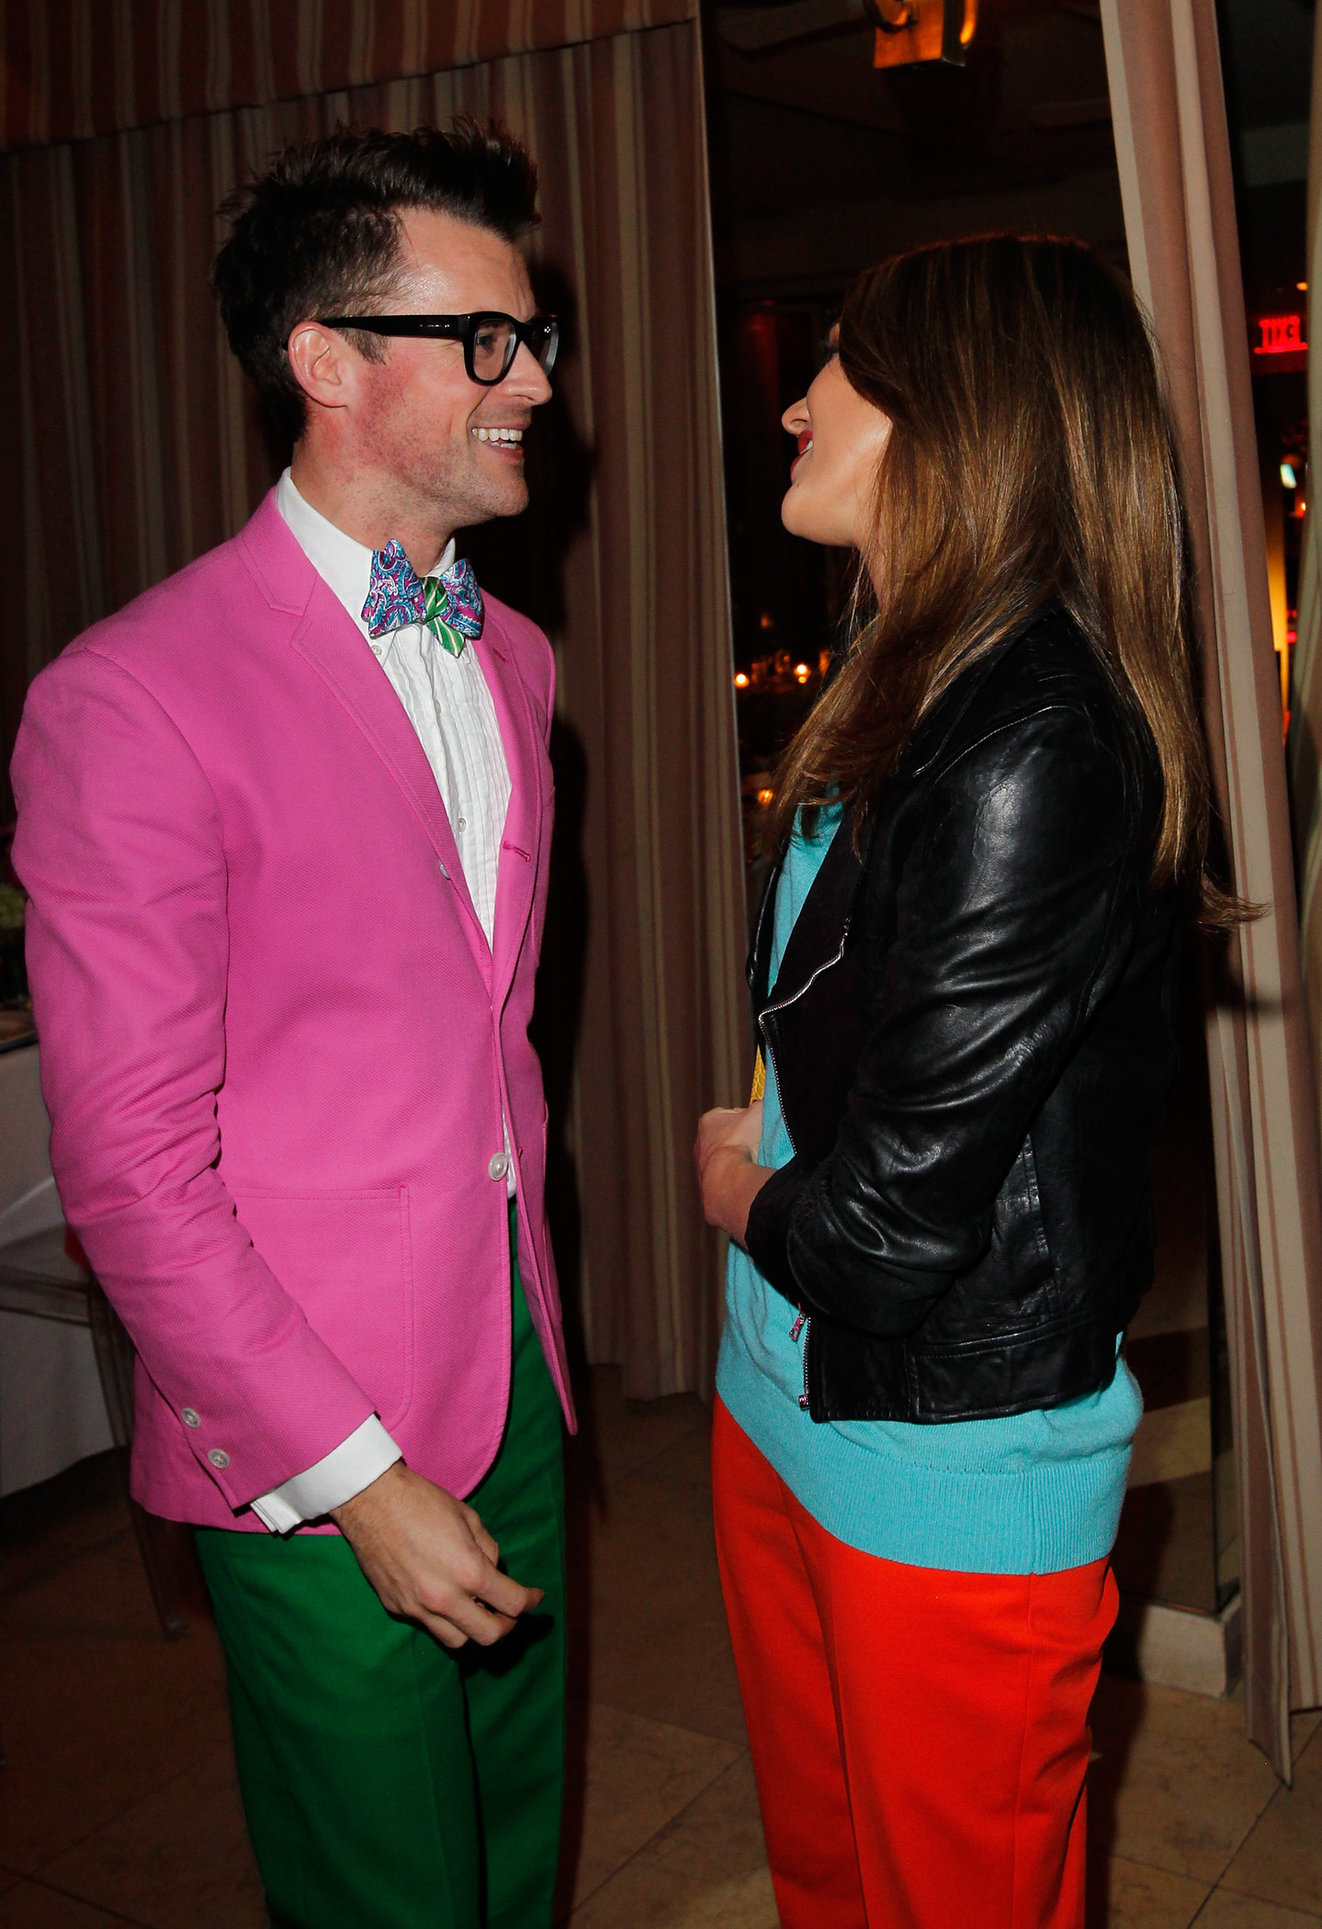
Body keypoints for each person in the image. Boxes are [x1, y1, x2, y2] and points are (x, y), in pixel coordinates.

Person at [12, 122, 574, 1929]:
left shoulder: (516, 656)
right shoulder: (128, 697)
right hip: (310, 1436)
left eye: (536, 330)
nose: (536, 376)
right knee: (385, 1895)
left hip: (522, 1364)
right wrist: (357, 1482)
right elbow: (129, 1171)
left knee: (512, 1851)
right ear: (327, 363)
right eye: (484, 337)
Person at [696, 233, 1230, 1929]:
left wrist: (728, 1183)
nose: (790, 400)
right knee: (830, 1877)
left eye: (836, 361)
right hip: (781, 1391)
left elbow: (878, 1231)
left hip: (938, 1453)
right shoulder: (911, 671)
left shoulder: (1035, 735)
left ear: (956, 412)